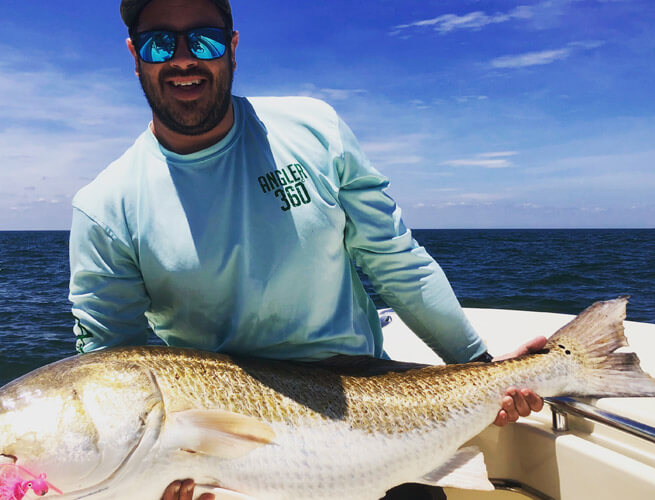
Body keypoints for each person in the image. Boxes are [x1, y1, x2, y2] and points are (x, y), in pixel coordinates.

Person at [68, 1, 545, 498]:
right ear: (135, 54)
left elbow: (397, 261)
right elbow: (111, 366)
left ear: (232, 48)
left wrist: (483, 368)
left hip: (374, 422)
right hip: (230, 463)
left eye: (204, 39)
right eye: (160, 43)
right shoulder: (105, 207)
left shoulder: (317, 130)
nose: (184, 58)